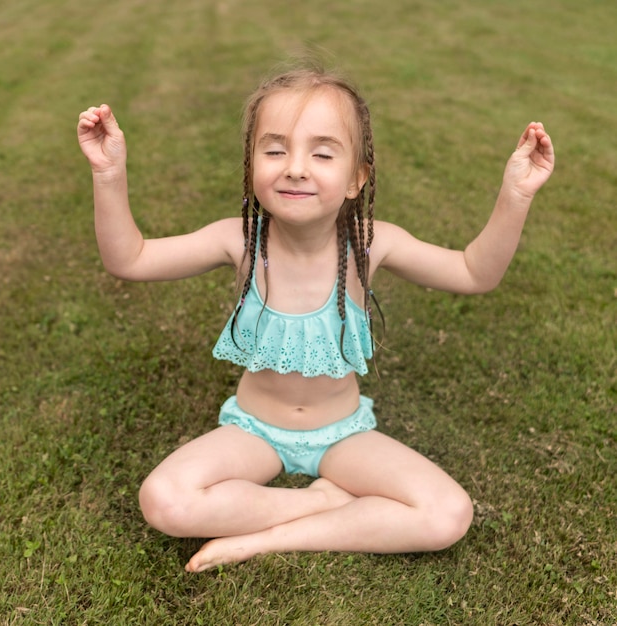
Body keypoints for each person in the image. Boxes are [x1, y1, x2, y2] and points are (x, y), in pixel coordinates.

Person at [77, 66, 554, 573]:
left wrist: (516, 195)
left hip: (342, 435)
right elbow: (129, 260)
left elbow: (473, 272)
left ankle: (263, 538)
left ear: (356, 178)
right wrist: (108, 174)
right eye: (275, 150)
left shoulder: (371, 242)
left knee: (448, 513)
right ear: (251, 163)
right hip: (253, 432)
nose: (296, 168)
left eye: (322, 153)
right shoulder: (238, 242)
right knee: (164, 500)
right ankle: (321, 505)